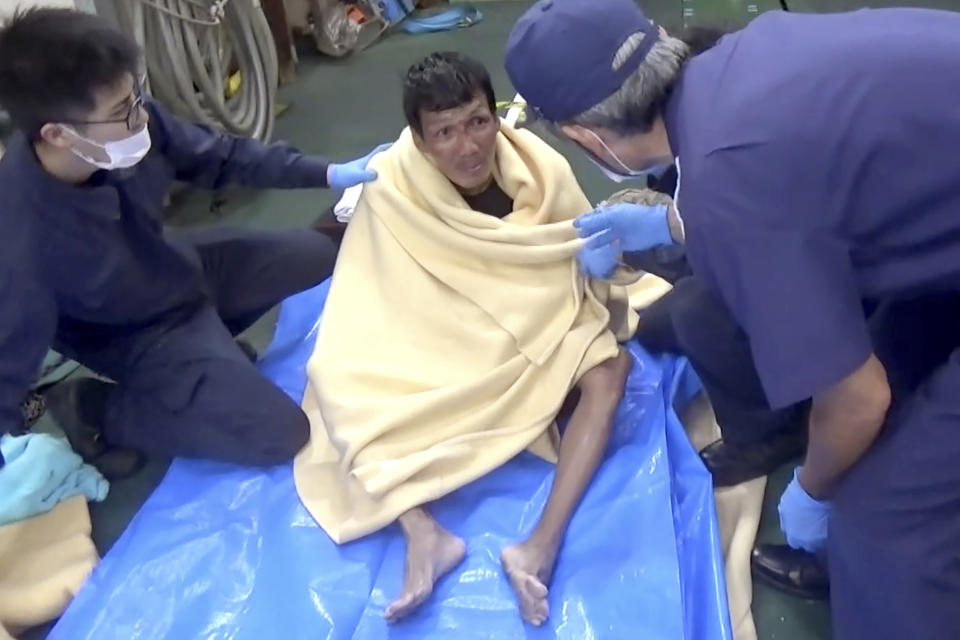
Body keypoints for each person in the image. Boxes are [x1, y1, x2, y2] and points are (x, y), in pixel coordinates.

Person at [506, 1, 960, 637]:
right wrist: (677, 220)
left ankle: (885, 580)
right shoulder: (739, 58)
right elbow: (800, 172)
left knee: (884, 529)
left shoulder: (727, 187)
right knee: (890, 373)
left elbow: (858, 399)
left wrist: (813, 490)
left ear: (582, 136)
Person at [292, 51, 639, 627]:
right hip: (437, 338)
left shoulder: (540, 170)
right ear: (420, 141)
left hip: (534, 327)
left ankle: (539, 546)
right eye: (445, 133)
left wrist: (595, 272)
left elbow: (569, 259)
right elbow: (373, 297)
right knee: (338, 380)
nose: (468, 146)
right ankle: (422, 530)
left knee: (610, 372)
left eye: (478, 122)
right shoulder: (393, 189)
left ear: (497, 116)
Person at [0, 9, 384, 475]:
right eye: (122, 110)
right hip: (139, 334)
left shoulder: (126, 123)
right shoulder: (21, 237)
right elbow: (7, 361)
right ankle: (95, 407)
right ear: (58, 134)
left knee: (322, 257)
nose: (140, 116)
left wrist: (325, 172)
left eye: (135, 97)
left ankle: (211, 366)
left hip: (177, 265)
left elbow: (220, 156)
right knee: (280, 435)